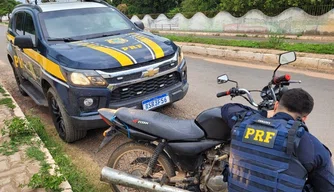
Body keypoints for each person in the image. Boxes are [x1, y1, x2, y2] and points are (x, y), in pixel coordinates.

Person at [221, 88, 334, 192]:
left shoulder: (243, 122)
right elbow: (328, 187)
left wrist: (264, 114)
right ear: (304, 118)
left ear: (276, 105)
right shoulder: (310, 144)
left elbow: (228, 108)